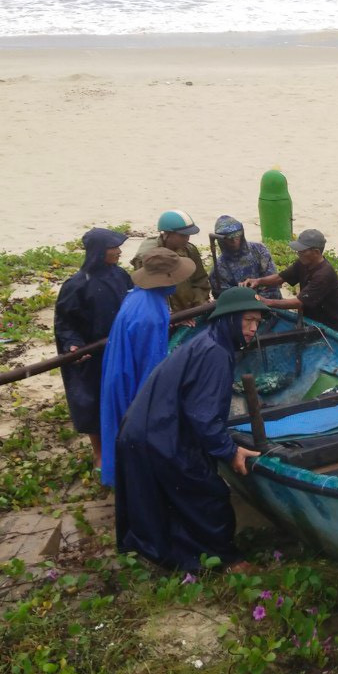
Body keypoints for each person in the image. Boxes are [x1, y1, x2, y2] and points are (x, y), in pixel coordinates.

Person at [113, 286, 268, 573]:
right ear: (229, 319)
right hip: (159, 434)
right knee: (209, 495)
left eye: (257, 322)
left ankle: (165, 554)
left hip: (143, 428)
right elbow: (204, 417)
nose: (252, 329)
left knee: (162, 499)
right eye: (247, 320)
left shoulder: (207, 340)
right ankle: (224, 560)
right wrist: (229, 450)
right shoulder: (216, 354)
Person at [98, 247, 196, 488]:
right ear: (168, 279)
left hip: (117, 372)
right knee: (138, 434)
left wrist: (171, 322)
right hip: (133, 378)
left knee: (118, 431)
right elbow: (151, 369)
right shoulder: (151, 315)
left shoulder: (138, 295)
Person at [53, 227, 132, 470]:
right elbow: (64, 322)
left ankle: (123, 442)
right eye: (113, 248)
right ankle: (99, 452)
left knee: (122, 395)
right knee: (92, 400)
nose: (119, 252)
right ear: (99, 252)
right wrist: (72, 344)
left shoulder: (121, 276)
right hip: (91, 353)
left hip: (119, 347)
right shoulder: (76, 285)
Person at [243, 228, 338, 341]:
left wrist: (267, 302)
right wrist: (258, 281)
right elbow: (280, 278)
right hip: (320, 322)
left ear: (316, 252)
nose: (298, 253)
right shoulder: (303, 263)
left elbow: (298, 302)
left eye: (302, 251)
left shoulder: (323, 275)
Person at [131, 209, 212, 313]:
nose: (187, 239)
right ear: (167, 234)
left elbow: (200, 281)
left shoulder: (189, 250)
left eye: (188, 235)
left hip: (190, 310)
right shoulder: (147, 257)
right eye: (182, 235)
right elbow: (149, 292)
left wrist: (198, 304)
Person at [208, 215, 279, 299]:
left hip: (272, 302)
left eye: (237, 235)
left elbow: (273, 281)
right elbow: (227, 298)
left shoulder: (259, 250)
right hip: (242, 307)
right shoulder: (219, 268)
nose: (234, 240)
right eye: (229, 237)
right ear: (221, 240)